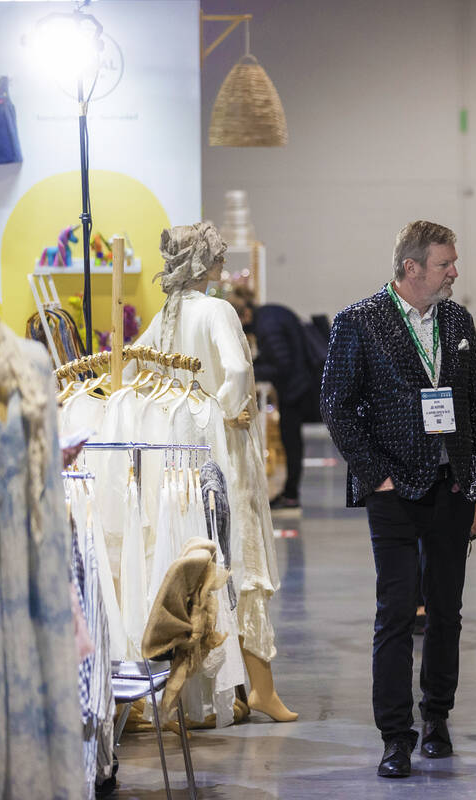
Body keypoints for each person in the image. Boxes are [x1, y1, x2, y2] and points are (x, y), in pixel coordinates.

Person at [320, 220, 476, 779]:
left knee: (447, 612)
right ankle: (396, 735)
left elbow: (474, 406)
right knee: (395, 613)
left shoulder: (459, 320)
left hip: (450, 488)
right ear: (410, 268)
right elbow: (336, 404)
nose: (455, 273)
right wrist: (375, 477)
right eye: (446, 264)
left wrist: (475, 481)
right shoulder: (360, 321)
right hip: (393, 489)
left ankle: (437, 719)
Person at [130, 222, 297, 723]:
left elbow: (135, 367)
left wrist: (170, 412)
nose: (224, 268)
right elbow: (239, 371)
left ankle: (210, 693)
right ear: (205, 265)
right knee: (242, 558)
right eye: (219, 260)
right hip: (222, 450)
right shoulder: (216, 310)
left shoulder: (165, 316)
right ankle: (260, 687)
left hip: (179, 455)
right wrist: (224, 409)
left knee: (195, 560)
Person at [227, 286, 319, 511]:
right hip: (301, 384)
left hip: (296, 389)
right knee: (292, 442)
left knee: (292, 442)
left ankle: (291, 495)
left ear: (244, 315)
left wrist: (248, 371)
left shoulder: (267, 326)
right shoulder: (269, 316)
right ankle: (290, 493)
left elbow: (281, 365)